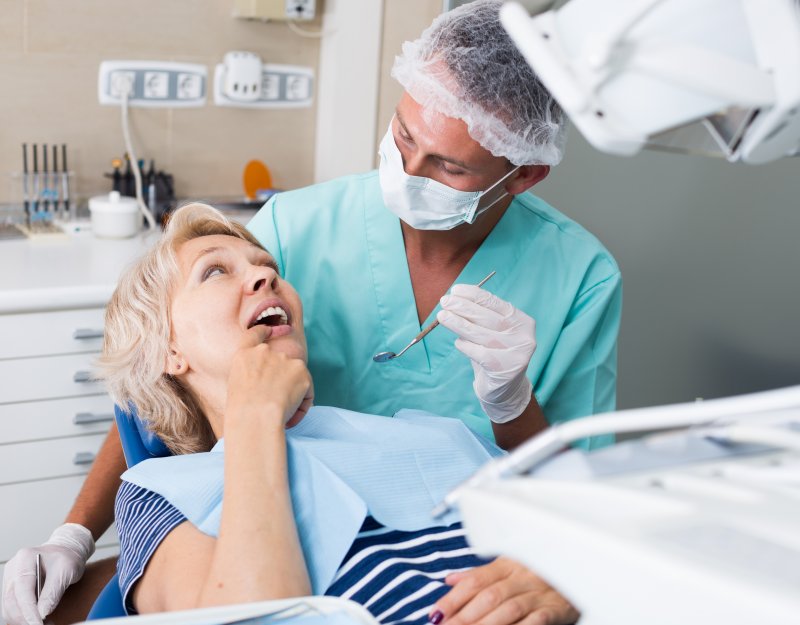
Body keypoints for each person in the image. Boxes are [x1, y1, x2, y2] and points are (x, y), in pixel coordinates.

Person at [2, 1, 621, 622]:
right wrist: (76, 533)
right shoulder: (296, 229)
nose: (407, 172)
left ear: (523, 176)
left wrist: (517, 419)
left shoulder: (565, 293)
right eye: (403, 136)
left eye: (449, 166)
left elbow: (581, 505)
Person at [103, 202, 578, 625]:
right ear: (167, 349)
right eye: (214, 272)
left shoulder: (432, 435)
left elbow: (589, 530)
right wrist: (255, 413)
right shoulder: (158, 496)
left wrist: (568, 578)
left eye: (267, 266)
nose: (265, 276)